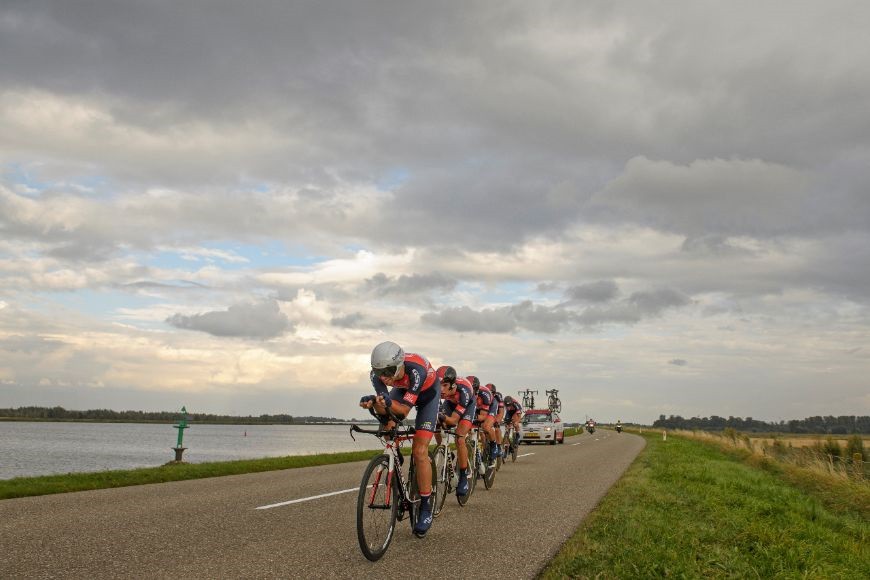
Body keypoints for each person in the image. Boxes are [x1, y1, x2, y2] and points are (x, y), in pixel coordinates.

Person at [359, 341, 438, 538]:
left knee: (420, 452)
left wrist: (385, 403)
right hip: (404, 391)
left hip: (427, 396)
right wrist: (373, 402)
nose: (384, 377)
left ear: (400, 364)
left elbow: (402, 410)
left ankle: (426, 505)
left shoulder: (416, 370)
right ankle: (394, 456)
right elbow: (384, 406)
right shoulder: (377, 375)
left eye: (388, 371)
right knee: (387, 426)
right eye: (379, 372)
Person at [435, 366, 475, 496]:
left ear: (452, 384)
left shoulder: (464, 392)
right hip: (450, 402)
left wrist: (442, 417)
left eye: (445, 385)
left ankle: (463, 475)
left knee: (459, 437)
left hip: (468, 405)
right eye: (439, 385)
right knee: (436, 425)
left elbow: (453, 420)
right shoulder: (443, 392)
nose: (441, 389)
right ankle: (444, 449)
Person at [469, 376, 501, 465]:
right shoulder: (465, 393)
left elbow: (483, 416)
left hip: (490, 407)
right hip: (478, 407)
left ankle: (494, 445)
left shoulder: (484, 394)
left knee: (486, 427)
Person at [488, 385, 505, 459]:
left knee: (497, 427)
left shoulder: (498, 398)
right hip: (487, 411)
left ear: (494, 393)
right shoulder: (483, 396)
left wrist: (497, 420)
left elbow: (501, 413)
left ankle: (498, 446)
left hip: (497, 412)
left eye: (491, 393)